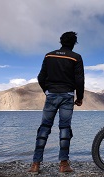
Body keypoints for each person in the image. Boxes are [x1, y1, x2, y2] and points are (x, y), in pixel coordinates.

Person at [28, 31, 84, 174]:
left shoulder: (49, 55)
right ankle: (63, 164)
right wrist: (79, 97)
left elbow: (41, 77)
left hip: (51, 95)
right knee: (64, 128)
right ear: (74, 43)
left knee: (44, 128)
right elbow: (79, 80)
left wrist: (47, 91)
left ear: (61, 41)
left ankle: (35, 165)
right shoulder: (76, 57)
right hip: (67, 96)